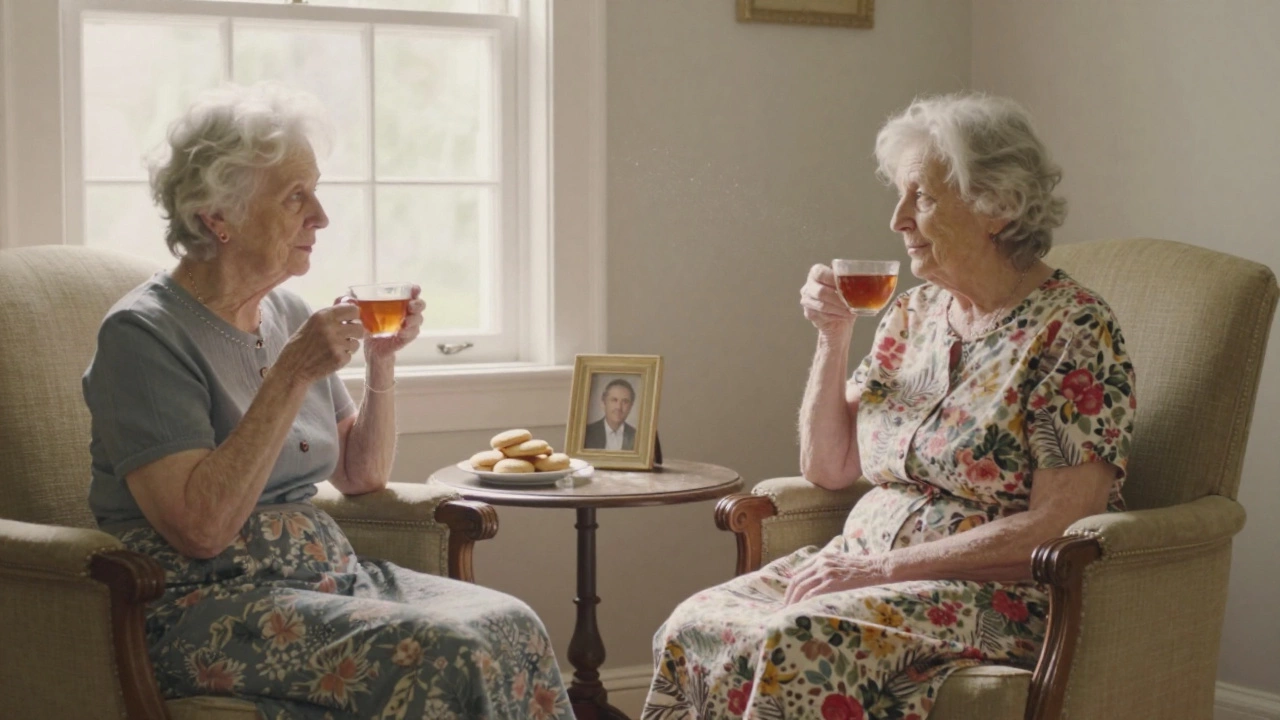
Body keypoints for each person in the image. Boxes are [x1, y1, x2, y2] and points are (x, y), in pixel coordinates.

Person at [83, 83, 574, 720]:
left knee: (512, 623)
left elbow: (359, 473)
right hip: (202, 606)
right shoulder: (142, 336)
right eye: (295, 197)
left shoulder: (285, 313)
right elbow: (199, 527)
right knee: (448, 651)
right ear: (217, 217)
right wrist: (289, 375)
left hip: (324, 580)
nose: (320, 215)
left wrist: (380, 363)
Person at [641, 92, 1137, 719]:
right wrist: (833, 337)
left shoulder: (1073, 330)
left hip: (994, 598)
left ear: (998, 208)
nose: (898, 219)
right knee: (698, 622)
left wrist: (882, 570)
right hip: (863, 569)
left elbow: (1055, 526)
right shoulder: (912, 313)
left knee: (803, 639)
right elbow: (829, 467)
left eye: (922, 198)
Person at [582, 378, 638, 450]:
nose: (619, 407)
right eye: (614, 400)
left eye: (625, 402)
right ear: (603, 403)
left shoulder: (638, 437)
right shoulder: (586, 433)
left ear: (631, 406)